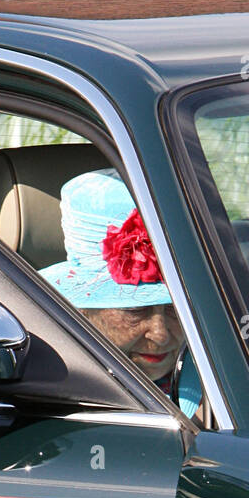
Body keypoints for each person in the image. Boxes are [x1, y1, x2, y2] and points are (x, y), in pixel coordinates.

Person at [40, 168, 186, 394]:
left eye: (176, 309)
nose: (160, 334)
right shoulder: (49, 392)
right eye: (134, 310)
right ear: (81, 311)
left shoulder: (230, 380)